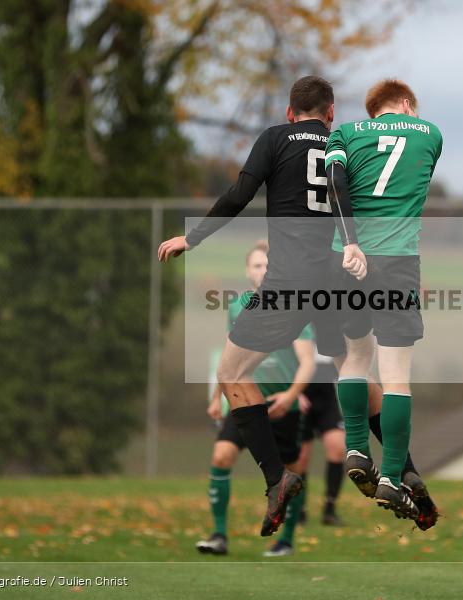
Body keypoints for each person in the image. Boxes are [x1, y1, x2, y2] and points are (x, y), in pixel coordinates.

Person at [159, 76, 345, 536]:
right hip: (338, 277)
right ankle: (403, 470)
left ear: (289, 113)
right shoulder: (345, 142)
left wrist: (192, 237)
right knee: (358, 367)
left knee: (231, 373)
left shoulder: (275, 139)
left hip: (287, 284)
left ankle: (276, 479)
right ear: (331, 113)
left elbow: (239, 196)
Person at [324, 79, 443, 523]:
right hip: (398, 263)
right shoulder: (430, 134)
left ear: (373, 111)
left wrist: (351, 242)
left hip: (349, 259)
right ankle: (391, 475)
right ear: (408, 105)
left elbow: (337, 182)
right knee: (395, 378)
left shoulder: (347, 134)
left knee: (356, 358)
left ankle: (356, 448)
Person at [196, 240, 315, 557]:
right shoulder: (237, 306)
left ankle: (285, 540)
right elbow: (228, 359)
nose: (263, 270)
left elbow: (307, 361)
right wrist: (215, 398)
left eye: (268, 265)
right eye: (257, 265)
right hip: (245, 403)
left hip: (280, 404)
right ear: (248, 271)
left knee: (292, 470)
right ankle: (219, 535)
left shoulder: (292, 303)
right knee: (221, 456)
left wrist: (292, 395)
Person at [294, 356, 347, 526]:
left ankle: (330, 510)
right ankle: (299, 510)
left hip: (327, 401)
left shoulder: (331, 332)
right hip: (301, 397)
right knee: (300, 459)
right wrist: (294, 392)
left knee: (338, 449)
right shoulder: (297, 333)